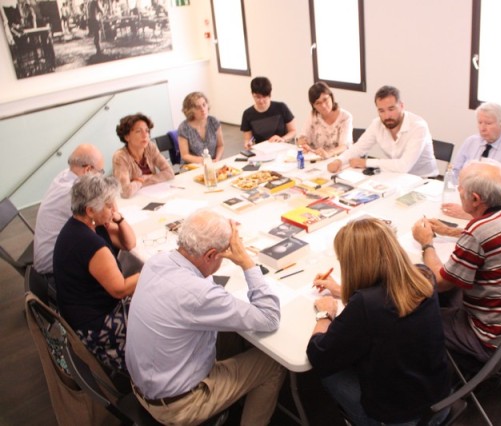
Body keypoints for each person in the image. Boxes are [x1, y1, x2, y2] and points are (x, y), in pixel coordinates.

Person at [126, 209, 285, 426]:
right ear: (210, 255)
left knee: (228, 335)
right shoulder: (199, 295)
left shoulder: (157, 261)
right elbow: (269, 317)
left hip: (143, 387)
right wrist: (247, 262)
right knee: (272, 364)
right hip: (179, 407)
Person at [307, 218, 450, 426]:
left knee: (329, 371)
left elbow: (318, 354)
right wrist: (342, 290)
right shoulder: (423, 275)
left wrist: (325, 314)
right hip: (440, 400)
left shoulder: (365, 304)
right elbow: (389, 301)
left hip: (400, 419)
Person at [411, 160, 501, 363]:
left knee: (413, 317)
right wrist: (450, 231)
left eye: (460, 188)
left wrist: (426, 242)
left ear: (475, 199)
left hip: (495, 342)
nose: (458, 191)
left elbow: (440, 282)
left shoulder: (479, 232)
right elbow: (495, 235)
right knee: (454, 288)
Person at [53, 174, 138, 372]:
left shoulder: (86, 226)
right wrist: (150, 271)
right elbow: (120, 289)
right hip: (96, 326)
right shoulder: (88, 243)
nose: (113, 209)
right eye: (108, 205)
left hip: (84, 313)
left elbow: (129, 243)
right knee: (160, 311)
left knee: (154, 299)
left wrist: (118, 218)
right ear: (90, 210)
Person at [327, 85, 438, 177]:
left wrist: (366, 162)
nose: (387, 116)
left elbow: (404, 166)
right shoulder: (377, 124)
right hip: (395, 176)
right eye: (381, 111)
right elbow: (359, 147)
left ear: (401, 106)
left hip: (424, 180)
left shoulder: (418, 127)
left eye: (391, 109)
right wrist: (339, 161)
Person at [441, 102, 501, 220]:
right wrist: (459, 195)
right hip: (462, 198)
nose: (482, 128)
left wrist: (471, 212)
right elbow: (455, 170)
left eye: (488, 123)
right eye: (480, 122)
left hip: (491, 209)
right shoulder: (471, 142)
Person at [34, 144, 104, 277]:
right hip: (52, 265)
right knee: (105, 241)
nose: (101, 177)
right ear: (88, 170)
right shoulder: (73, 192)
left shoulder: (64, 175)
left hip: (47, 249)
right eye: (100, 172)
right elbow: (101, 219)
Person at [112, 113, 174, 198]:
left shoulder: (150, 147)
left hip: (155, 194)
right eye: (138, 131)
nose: (145, 135)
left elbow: (169, 173)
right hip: (134, 201)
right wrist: (146, 180)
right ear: (127, 137)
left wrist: (142, 179)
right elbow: (125, 191)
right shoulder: (120, 157)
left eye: (147, 131)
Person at [297, 81, 353, 159]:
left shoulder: (345, 117)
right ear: (313, 106)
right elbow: (303, 137)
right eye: (318, 103)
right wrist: (303, 144)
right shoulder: (313, 115)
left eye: (325, 99)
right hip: (317, 159)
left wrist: (329, 153)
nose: (323, 105)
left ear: (331, 97)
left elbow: (344, 146)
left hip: (338, 160)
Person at [241, 76, 296, 149]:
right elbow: (248, 139)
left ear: (270, 94)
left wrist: (283, 139)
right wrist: (248, 144)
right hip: (261, 150)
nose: (261, 101)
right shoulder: (247, 114)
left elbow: (293, 131)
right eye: (257, 97)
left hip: (282, 148)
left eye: (264, 97)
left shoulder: (281, 107)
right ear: (252, 94)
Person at [177, 91, 225, 164]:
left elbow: (220, 146)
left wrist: (217, 160)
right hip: (192, 166)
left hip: (212, 163)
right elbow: (185, 155)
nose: (203, 109)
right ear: (190, 111)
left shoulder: (214, 121)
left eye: (204, 105)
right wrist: (204, 161)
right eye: (197, 107)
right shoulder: (184, 128)